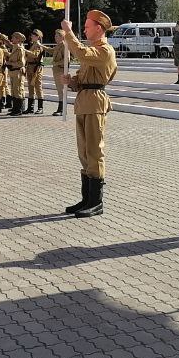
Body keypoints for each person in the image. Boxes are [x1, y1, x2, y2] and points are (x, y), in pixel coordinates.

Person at [59, 11, 118, 218]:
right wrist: (72, 82)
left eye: (87, 26)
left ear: (99, 28)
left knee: (94, 151)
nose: (84, 29)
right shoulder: (93, 50)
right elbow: (84, 76)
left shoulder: (105, 51)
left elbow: (82, 54)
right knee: (84, 152)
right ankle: (86, 198)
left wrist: (69, 33)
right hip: (85, 101)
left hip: (95, 103)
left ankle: (96, 201)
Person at [25, 30, 45, 114]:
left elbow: (35, 55)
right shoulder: (32, 44)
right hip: (30, 67)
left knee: (38, 87)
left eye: (33, 35)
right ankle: (30, 107)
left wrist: (25, 51)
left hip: (36, 68)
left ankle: (40, 108)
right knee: (30, 87)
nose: (31, 36)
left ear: (38, 37)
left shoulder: (38, 45)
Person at [6, 32, 26, 116]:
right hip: (13, 72)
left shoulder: (20, 49)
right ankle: (15, 108)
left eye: (14, 37)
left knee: (18, 91)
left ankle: (18, 109)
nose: (12, 39)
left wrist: (10, 63)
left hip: (18, 72)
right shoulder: (14, 48)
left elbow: (21, 63)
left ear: (18, 39)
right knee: (14, 90)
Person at [51, 29, 69, 116]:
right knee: (59, 90)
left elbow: (66, 60)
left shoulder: (65, 46)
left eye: (57, 36)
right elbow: (51, 50)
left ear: (62, 37)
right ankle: (60, 108)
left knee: (61, 90)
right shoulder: (58, 46)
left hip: (61, 70)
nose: (55, 37)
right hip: (57, 70)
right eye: (55, 36)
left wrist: (56, 63)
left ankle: (62, 109)